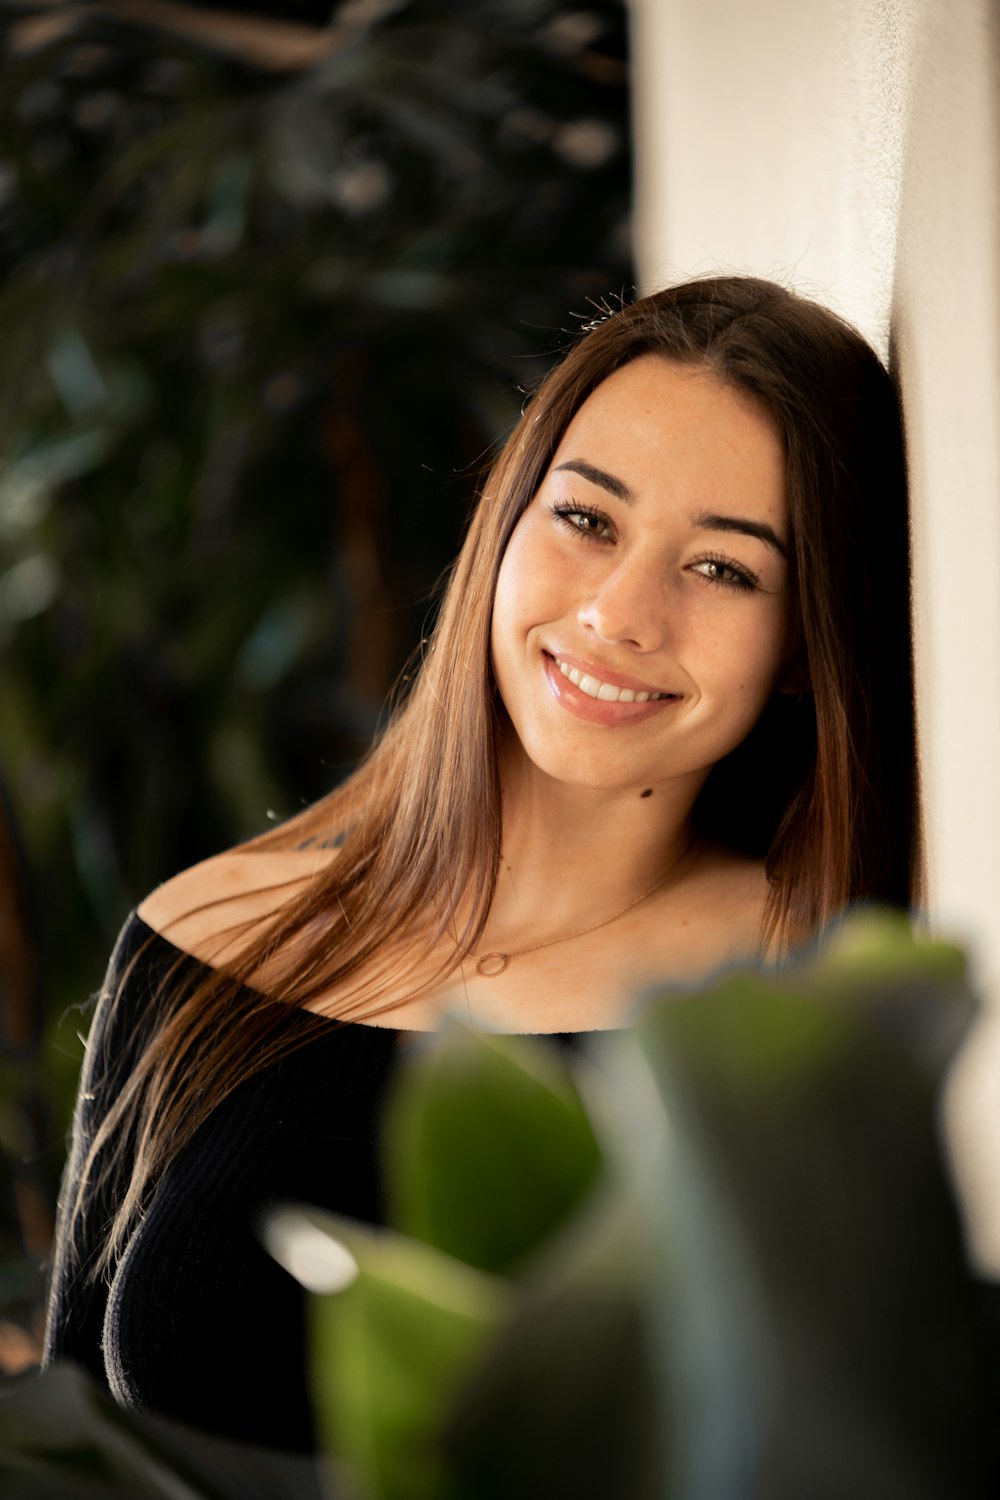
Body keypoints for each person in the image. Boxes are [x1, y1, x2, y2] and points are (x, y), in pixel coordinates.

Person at [44, 275, 917, 1451]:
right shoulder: (207, 936)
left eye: (723, 569)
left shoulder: (796, 1004)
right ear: (503, 526)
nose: (619, 613)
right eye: (586, 520)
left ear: (810, 639)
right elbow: (75, 1457)